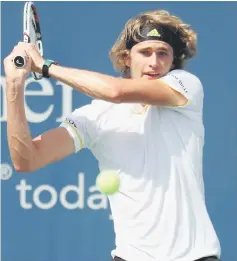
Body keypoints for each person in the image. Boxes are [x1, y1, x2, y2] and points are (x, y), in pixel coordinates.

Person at [4, 9, 221, 261]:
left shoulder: (186, 86)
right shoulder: (95, 117)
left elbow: (115, 92)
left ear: (173, 61)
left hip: (196, 257)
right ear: (127, 58)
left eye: (163, 53)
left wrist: (45, 66)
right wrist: (14, 85)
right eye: (145, 52)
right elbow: (27, 160)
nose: (154, 62)